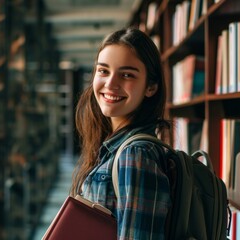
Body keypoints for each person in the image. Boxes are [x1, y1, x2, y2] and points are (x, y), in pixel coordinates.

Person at [70, 27, 172, 239]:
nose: (110, 84)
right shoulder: (112, 146)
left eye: (126, 75)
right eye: (103, 71)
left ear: (151, 87)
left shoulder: (135, 155)